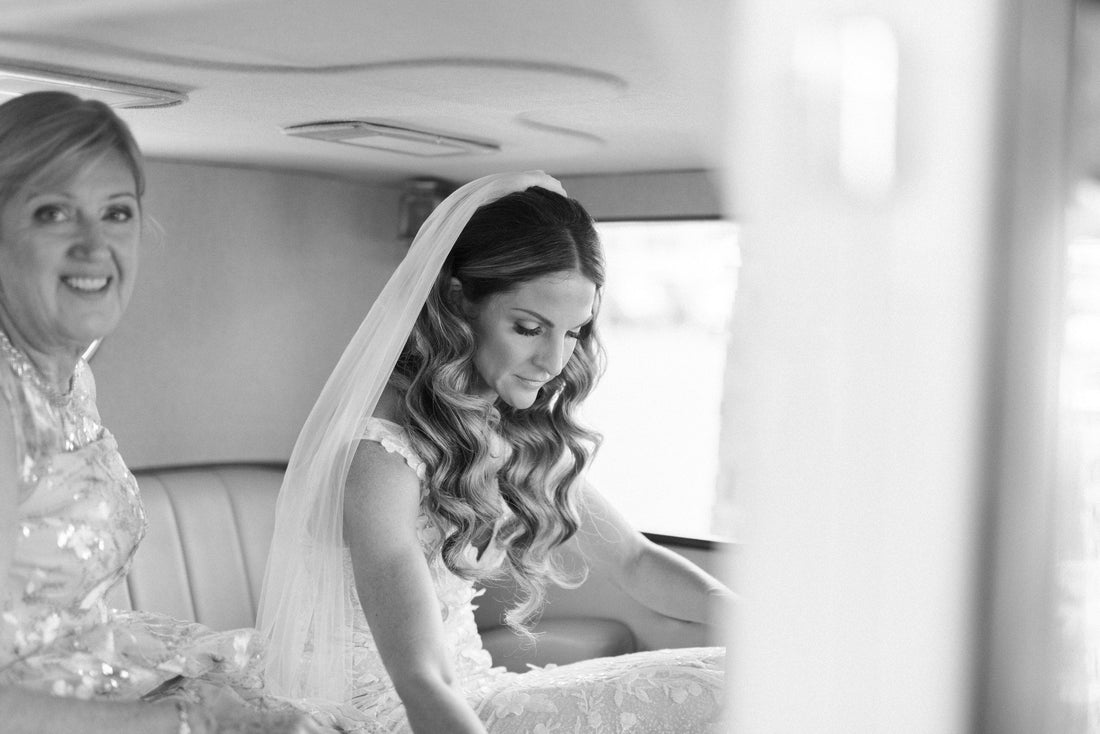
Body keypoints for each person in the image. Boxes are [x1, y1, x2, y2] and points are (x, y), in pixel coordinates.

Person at [258, 171, 730, 733]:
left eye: (574, 332)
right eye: (530, 327)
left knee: (738, 676)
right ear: (461, 301)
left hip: (481, 695)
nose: (555, 362)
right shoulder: (381, 455)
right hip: (399, 719)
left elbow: (634, 560)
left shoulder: (508, 429)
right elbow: (421, 680)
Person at [0, 91, 349, 734]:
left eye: (117, 213)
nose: (94, 245)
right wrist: (190, 720)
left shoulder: (70, 374)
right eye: (52, 213)